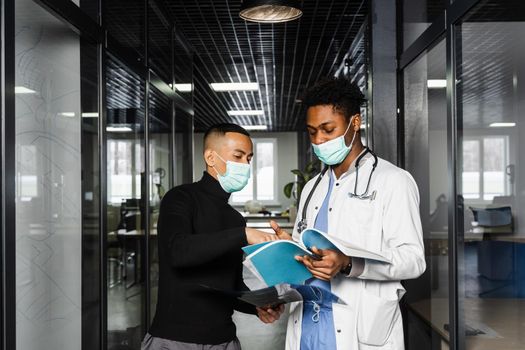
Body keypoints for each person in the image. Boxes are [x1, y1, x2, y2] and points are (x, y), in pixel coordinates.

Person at [273, 77, 426, 350]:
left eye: (328, 129)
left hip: (360, 330)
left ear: (355, 123)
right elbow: (305, 259)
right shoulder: (312, 188)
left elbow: (413, 260)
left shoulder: (393, 181)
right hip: (307, 325)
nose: (319, 140)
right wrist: (288, 251)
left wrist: (347, 263)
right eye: (312, 132)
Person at [143, 123, 285, 350]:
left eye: (249, 158)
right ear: (211, 157)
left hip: (224, 341)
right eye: (238, 156)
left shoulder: (235, 219)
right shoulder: (180, 198)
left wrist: (257, 306)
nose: (245, 165)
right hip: (174, 341)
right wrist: (243, 235)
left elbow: (232, 285)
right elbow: (178, 252)